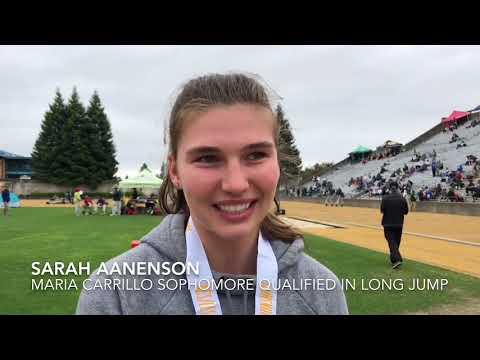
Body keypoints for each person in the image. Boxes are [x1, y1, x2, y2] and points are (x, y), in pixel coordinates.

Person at [76, 73, 348, 315]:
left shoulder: (321, 291)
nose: (235, 184)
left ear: (277, 161)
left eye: (256, 155)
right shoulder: (116, 293)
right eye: (207, 158)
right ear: (175, 171)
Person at [380, 181, 409, 269]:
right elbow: (406, 212)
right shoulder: (402, 198)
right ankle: (394, 260)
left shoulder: (385, 198)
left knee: (392, 242)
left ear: (390, 188)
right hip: (399, 223)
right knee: (396, 243)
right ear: (397, 188)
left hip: (388, 223)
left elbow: (382, 210)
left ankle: (397, 259)